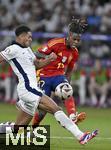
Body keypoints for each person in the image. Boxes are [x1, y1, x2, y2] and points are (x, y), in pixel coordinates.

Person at [0, 25, 98, 145]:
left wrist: (49, 59)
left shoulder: (28, 50)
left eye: (31, 37)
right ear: (21, 36)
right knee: (56, 109)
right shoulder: (12, 49)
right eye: (29, 37)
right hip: (28, 88)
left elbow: (37, 65)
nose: (31, 39)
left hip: (31, 89)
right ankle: (81, 136)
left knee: (18, 129)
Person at [32, 18, 87, 126]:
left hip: (58, 75)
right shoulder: (55, 43)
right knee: (42, 112)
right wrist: (48, 57)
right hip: (43, 75)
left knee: (67, 90)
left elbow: (70, 70)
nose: (76, 42)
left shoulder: (75, 53)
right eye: (75, 39)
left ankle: (73, 116)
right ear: (70, 35)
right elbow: (36, 53)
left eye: (78, 40)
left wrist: (67, 83)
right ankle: (34, 128)